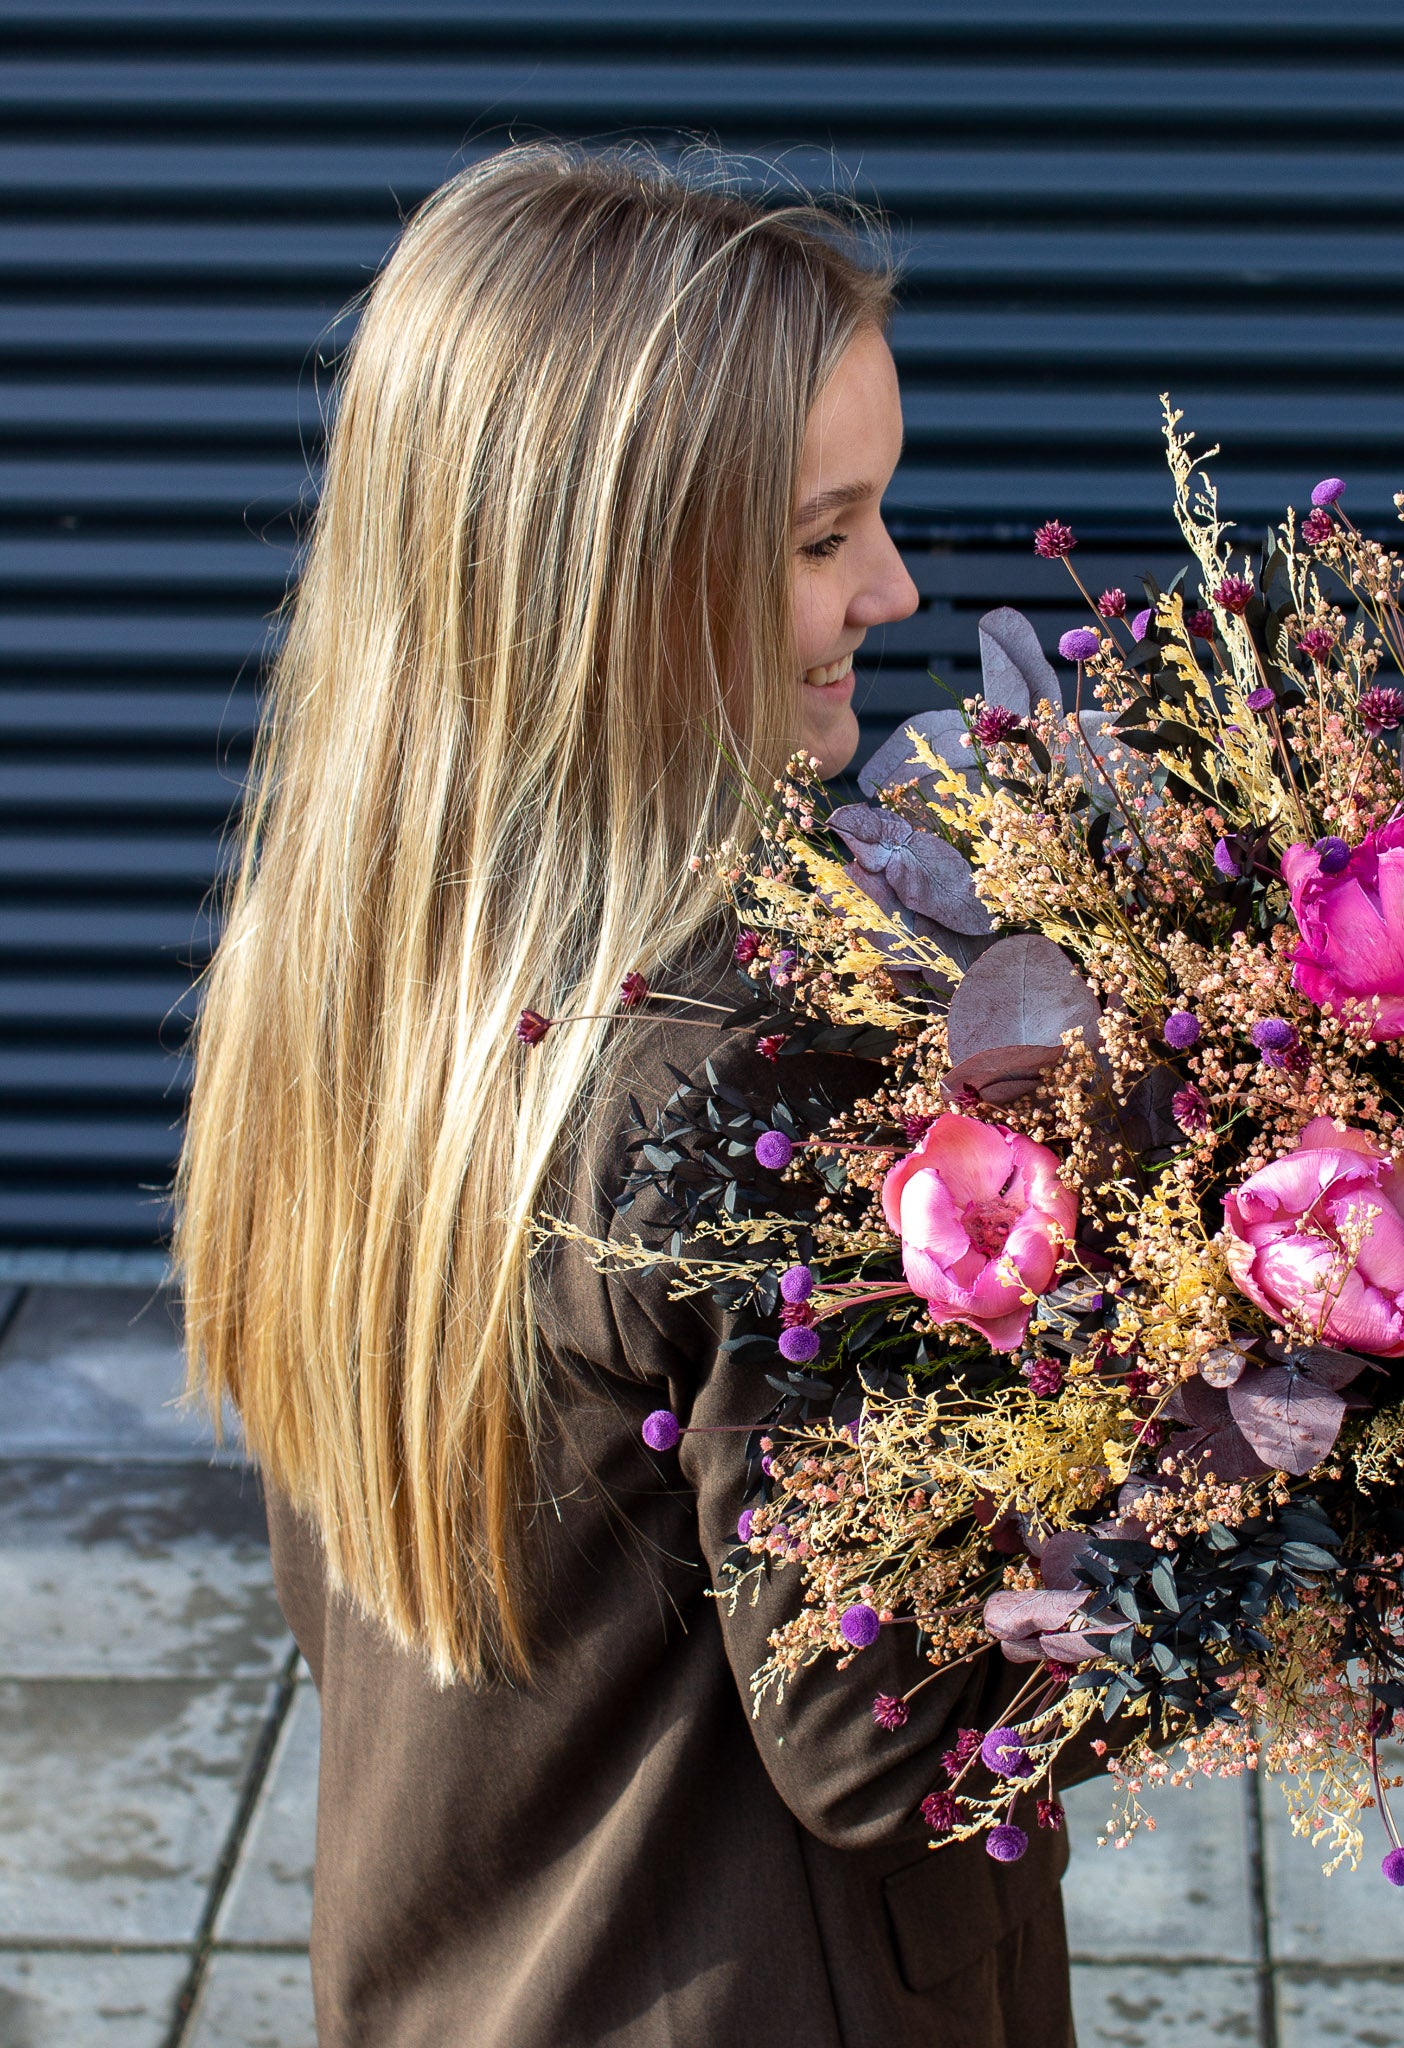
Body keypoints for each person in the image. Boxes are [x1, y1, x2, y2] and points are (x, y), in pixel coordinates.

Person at [174, 144, 1079, 2048]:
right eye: (823, 537)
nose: (896, 589)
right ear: (611, 580)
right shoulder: (755, 1061)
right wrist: (1264, 1446)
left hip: (457, 1971)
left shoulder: (328, 956)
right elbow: (893, 1743)